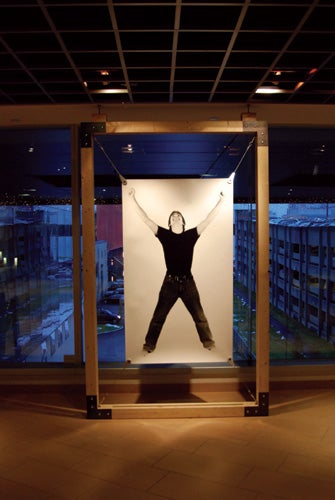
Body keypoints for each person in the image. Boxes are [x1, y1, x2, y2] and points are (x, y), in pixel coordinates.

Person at [128, 187, 224, 353]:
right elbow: (145, 219)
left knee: (200, 317)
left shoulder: (191, 235)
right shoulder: (164, 235)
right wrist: (132, 199)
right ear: (170, 222)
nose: (176, 217)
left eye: (178, 215)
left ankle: (210, 345)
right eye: (173, 216)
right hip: (170, 283)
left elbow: (208, 219)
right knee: (158, 317)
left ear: (183, 221)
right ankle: (148, 346)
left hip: (188, 283)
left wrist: (221, 202)